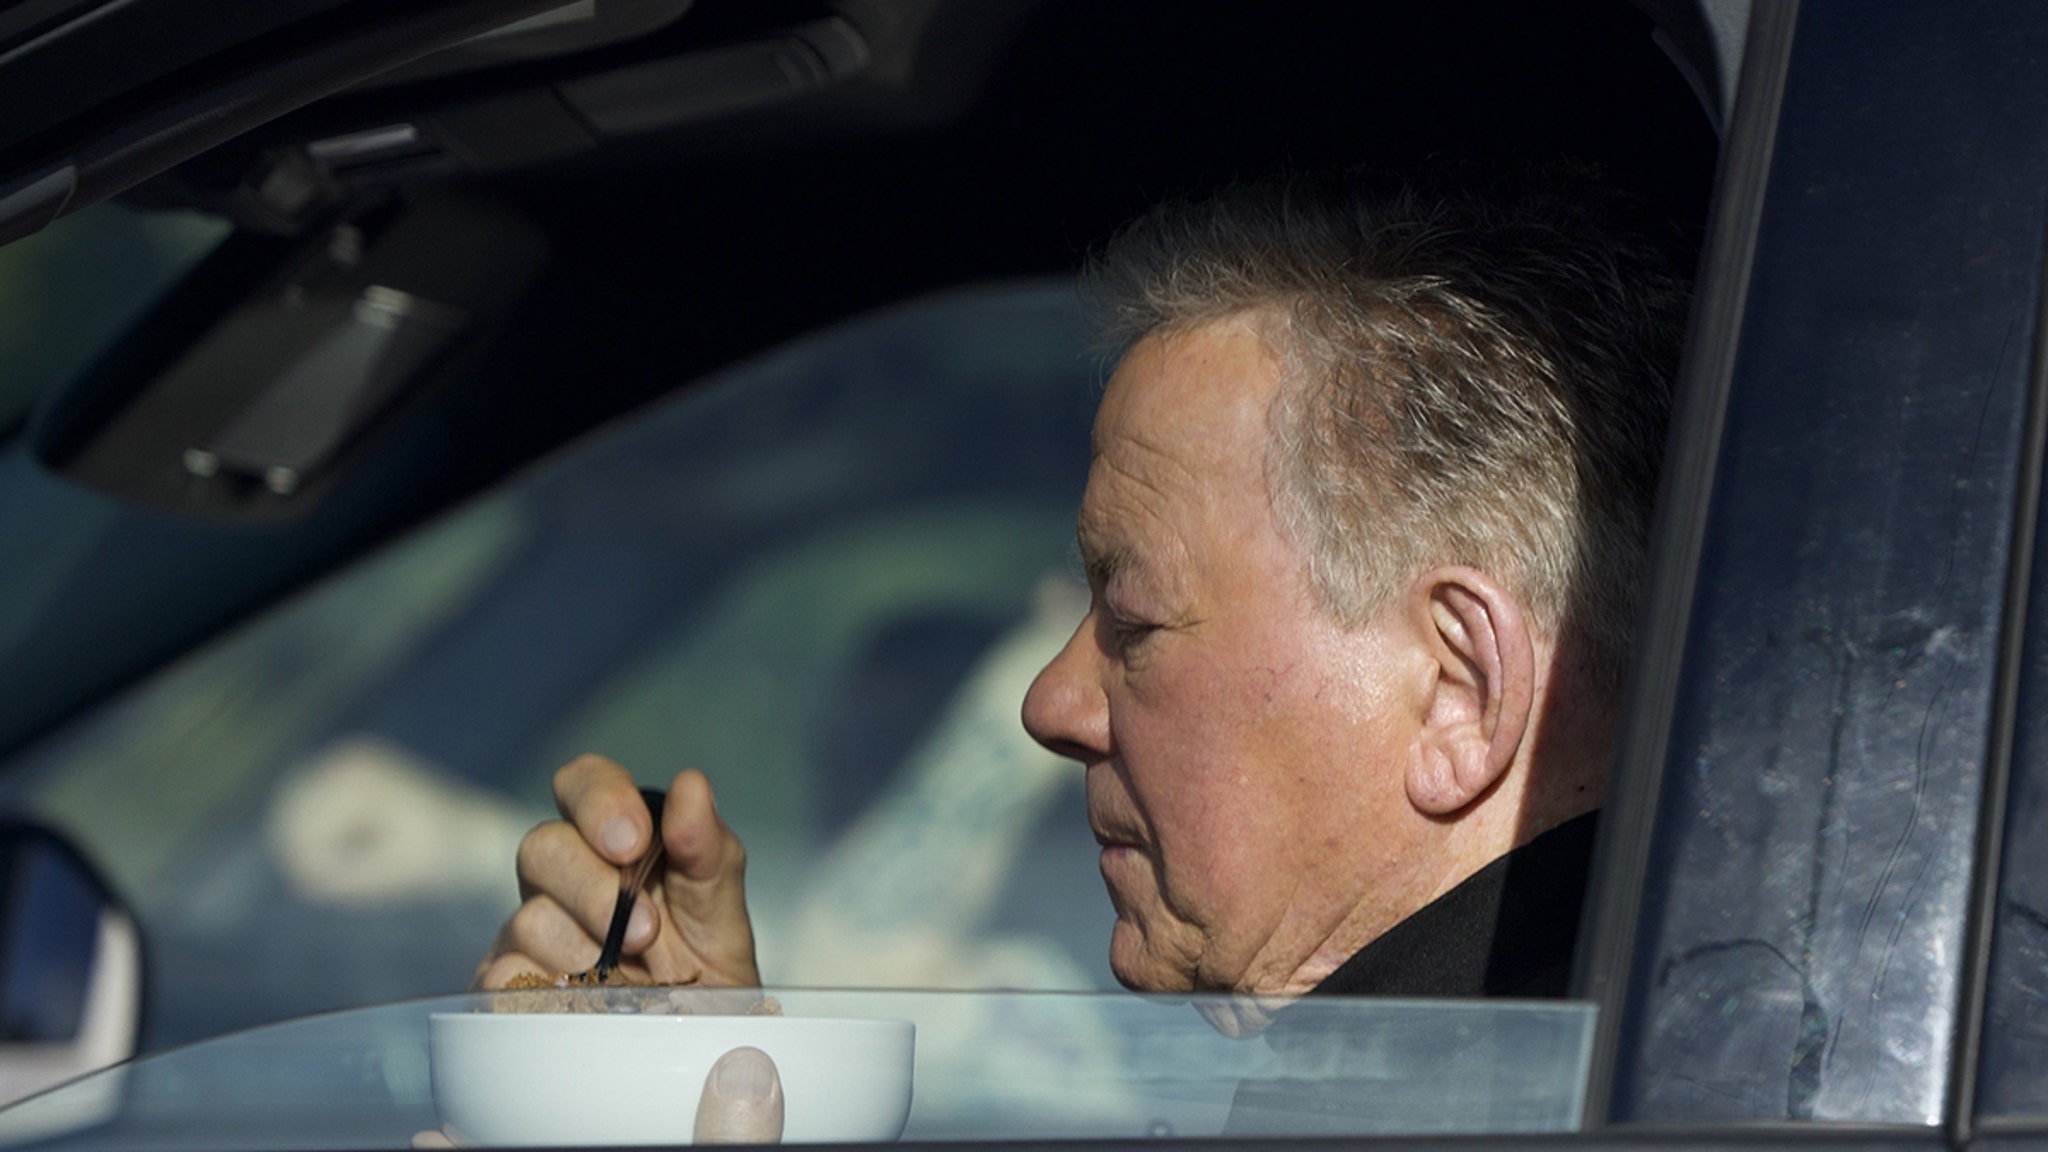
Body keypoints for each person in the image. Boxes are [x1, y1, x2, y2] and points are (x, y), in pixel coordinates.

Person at [472, 171, 1690, 1137]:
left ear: (1454, 692)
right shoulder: (1628, 1069)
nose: (1049, 703)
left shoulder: (1524, 1111)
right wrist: (733, 1082)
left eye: (1133, 622)